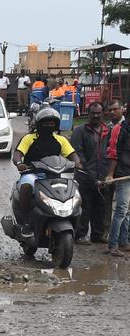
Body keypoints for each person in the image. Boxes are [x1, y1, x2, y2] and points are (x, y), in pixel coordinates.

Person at [12, 107, 75, 230]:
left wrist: (77, 163)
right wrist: (19, 163)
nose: (49, 126)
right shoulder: (29, 138)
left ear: (56, 125)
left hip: (55, 175)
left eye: (51, 123)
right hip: (32, 175)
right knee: (26, 187)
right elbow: (17, 154)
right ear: (38, 124)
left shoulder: (61, 140)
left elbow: (73, 155)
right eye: (45, 123)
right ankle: (25, 222)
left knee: (74, 188)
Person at [70, 102, 108, 243]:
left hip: (102, 176)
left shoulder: (107, 131)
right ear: (88, 113)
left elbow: (110, 153)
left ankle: (97, 235)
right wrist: (91, 175)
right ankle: (80, 234)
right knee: (84, 207)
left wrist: (105, 175)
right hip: (84, 176)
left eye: (99, 113)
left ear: (103, 114)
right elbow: (78, 154)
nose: (96, 116)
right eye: (93, 113)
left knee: (100, 207)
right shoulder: (80, 131)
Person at [107, 106, 130, 255]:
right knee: (121, 210)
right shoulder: (119, 129)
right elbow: (113, 153)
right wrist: (110, 174)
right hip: (123, 173)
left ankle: (124, 242)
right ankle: (113, 245)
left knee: (128, 211)